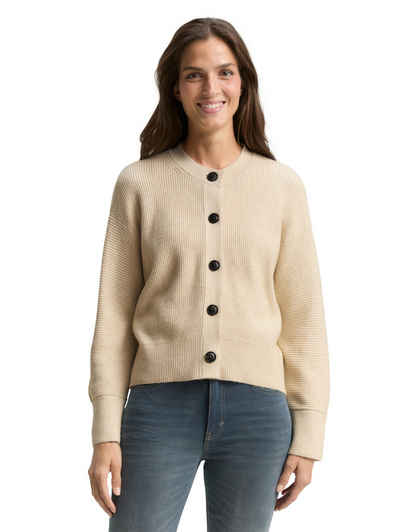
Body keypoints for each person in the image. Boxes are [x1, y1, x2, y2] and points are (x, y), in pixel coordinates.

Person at [87, 17, 330, 532]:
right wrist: (105, 429)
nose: (211, 88)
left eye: (225, 72)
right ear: (175, 88)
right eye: (194, 75)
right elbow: (114, 317)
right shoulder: (139, 184)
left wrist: (309, 432)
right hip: (158, 407)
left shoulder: (282, 187)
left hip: (258, 412)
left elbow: (304, 319)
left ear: (243, 82)